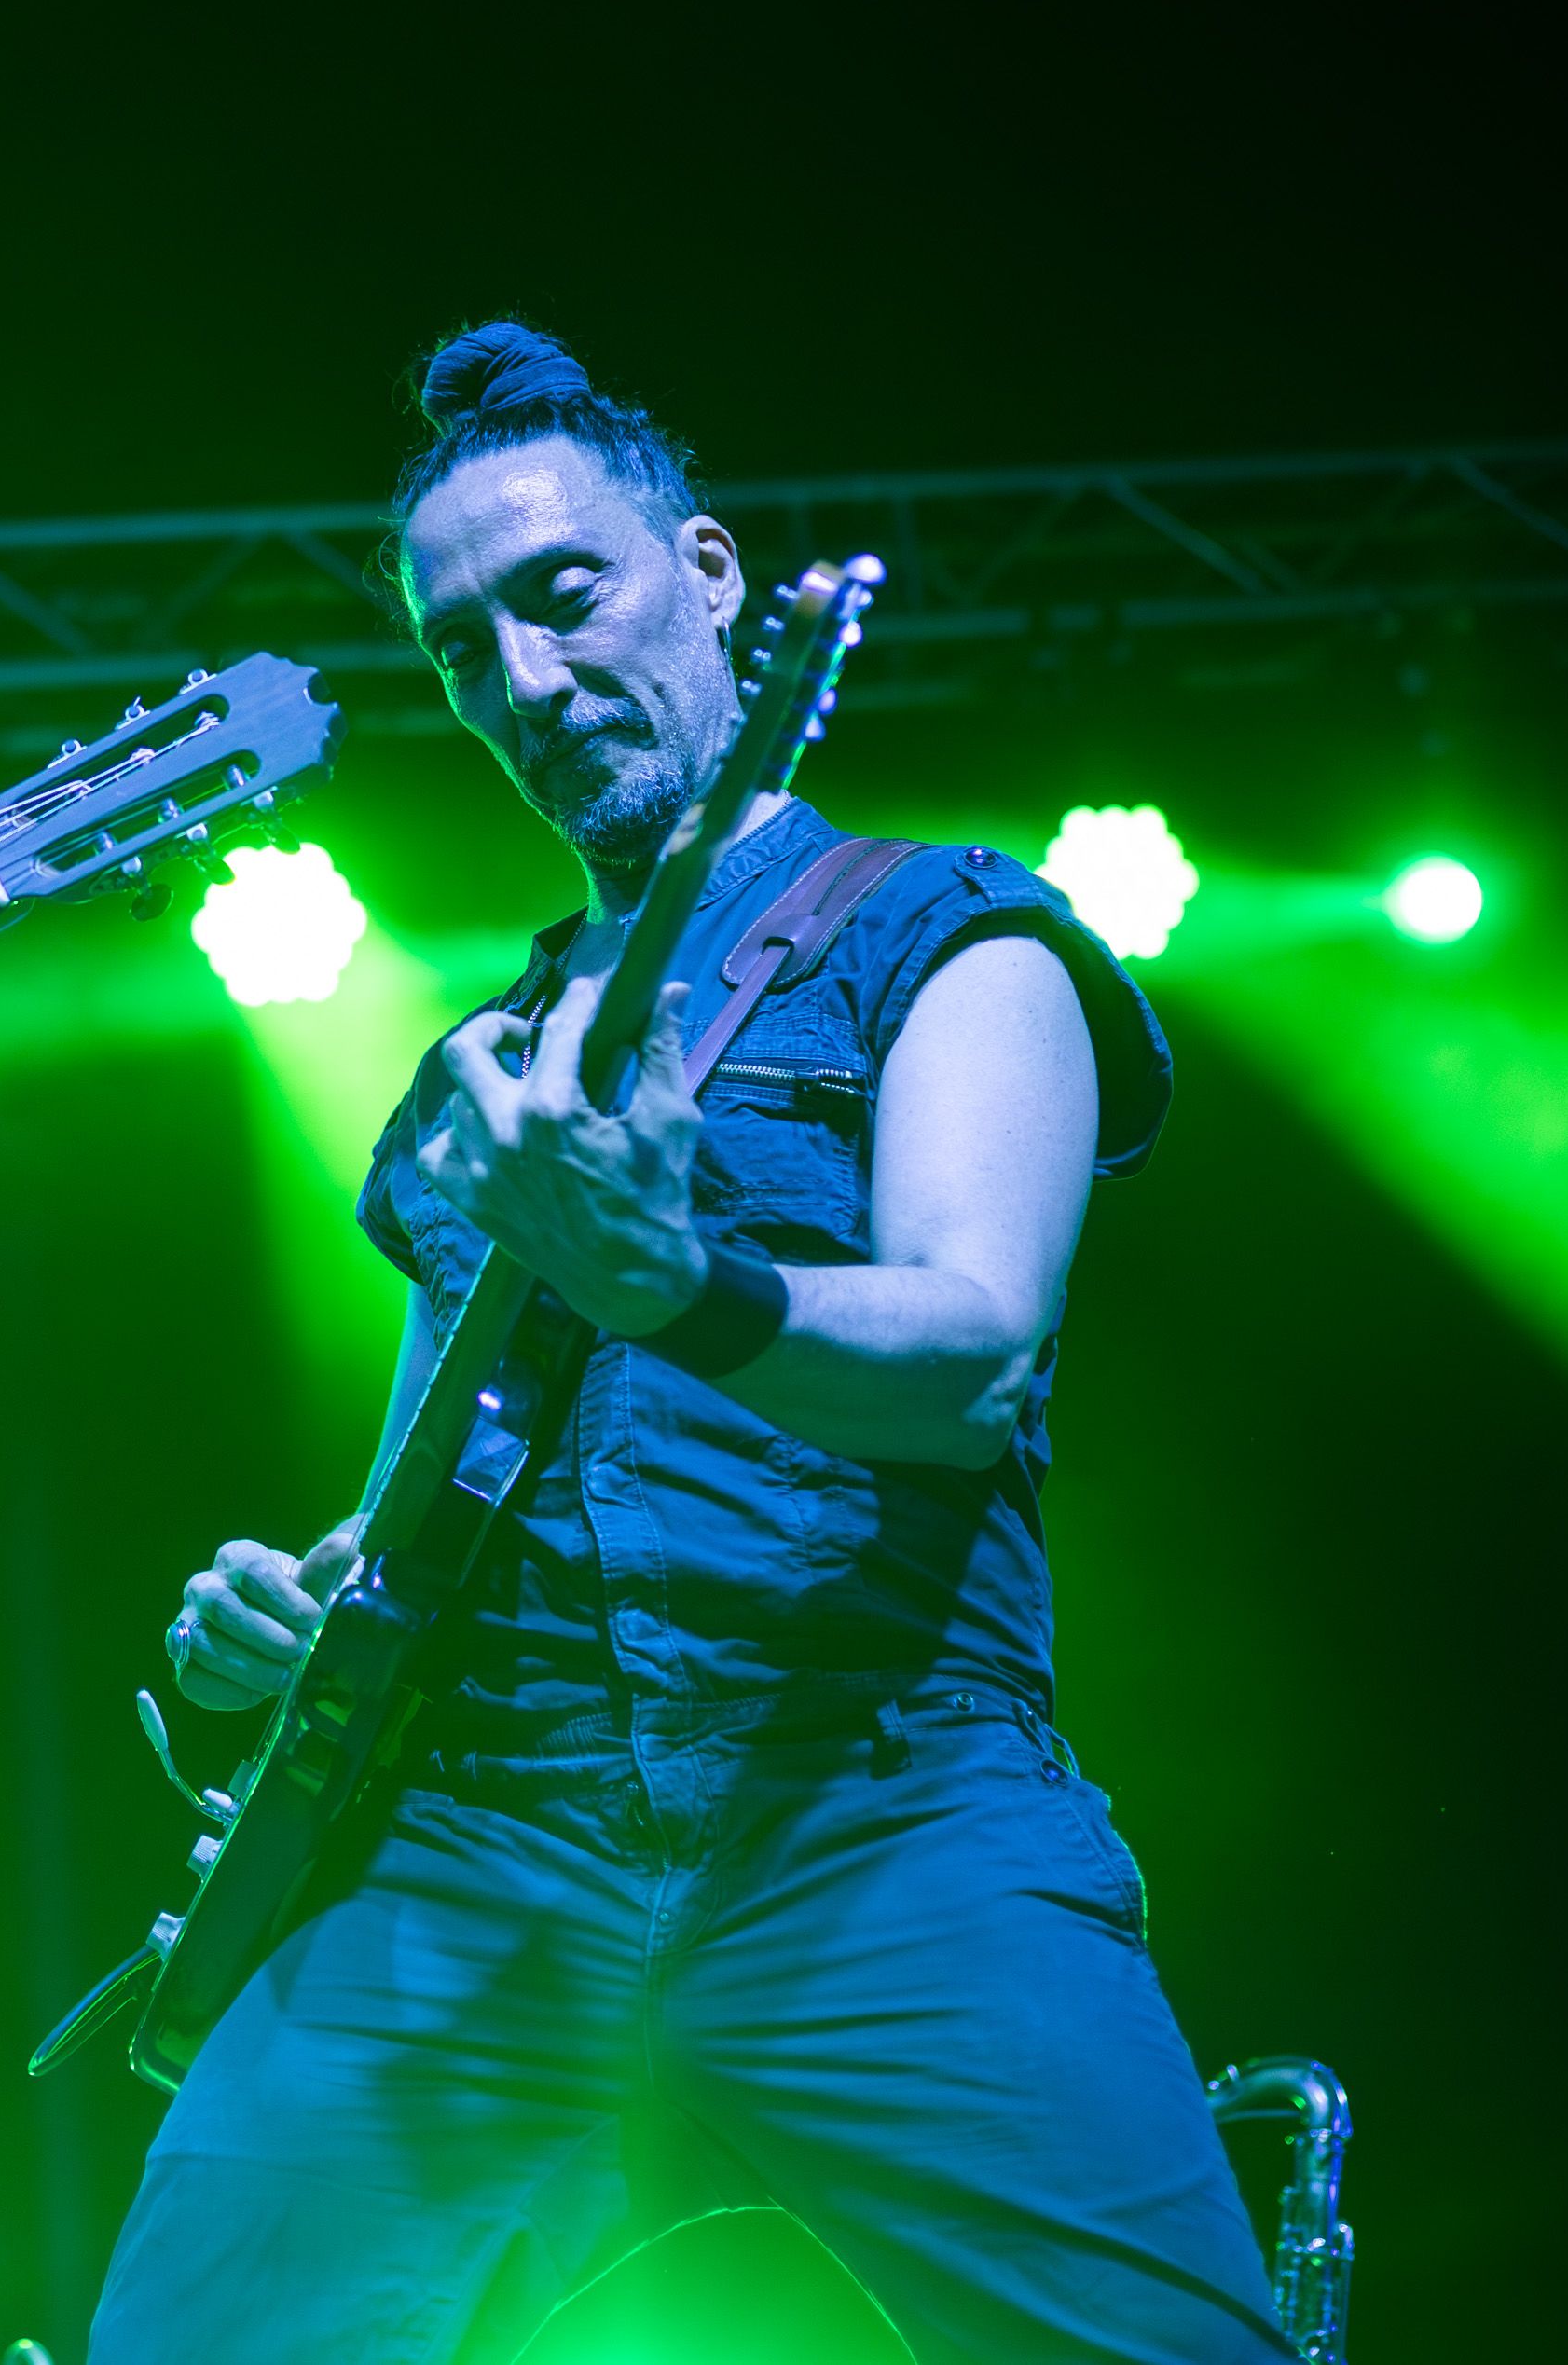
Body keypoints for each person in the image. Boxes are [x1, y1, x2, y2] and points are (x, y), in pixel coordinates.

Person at [88, 325, 1292, 2362]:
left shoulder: (952, 930)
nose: (526, 678)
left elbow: (975, 1352)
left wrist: (674, 1282)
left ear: (711, 572)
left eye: (563, 594)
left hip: (877, 1806)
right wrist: (301, 1608)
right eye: (463, 650)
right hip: (483, 1834)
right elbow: (437, 1491)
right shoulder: (473, 1072)